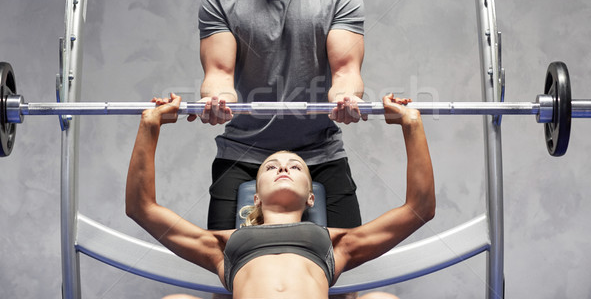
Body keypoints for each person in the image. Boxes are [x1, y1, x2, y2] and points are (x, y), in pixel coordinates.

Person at [126, 93, 435, 299]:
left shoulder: (335, 243)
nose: (283, 167)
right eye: (271, 166)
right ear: (256, 197)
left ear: (311, 197)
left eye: (295, 167)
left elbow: (419, 208)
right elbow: (142, 209)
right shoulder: (224, 246)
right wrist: (149, 125)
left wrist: (411, 123)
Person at [190, 0, 367, 238]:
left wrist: (345, 98)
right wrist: (216, 99)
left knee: (346, 263)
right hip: (242, 151)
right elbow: (219, 75)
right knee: (227, 265)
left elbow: (345, 71)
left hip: (320, 150)